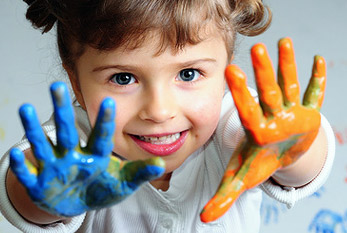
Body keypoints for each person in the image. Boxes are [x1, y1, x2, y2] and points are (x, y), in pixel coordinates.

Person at [0, 0, 335, 232]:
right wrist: (44, 195)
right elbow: (20, 187)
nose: (159, 111)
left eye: (188, 74)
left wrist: (295, 151)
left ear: (225, 70)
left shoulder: (237, 126)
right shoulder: (76, 145)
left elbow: (300, 170)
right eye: (123, 78)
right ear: (76, 81)